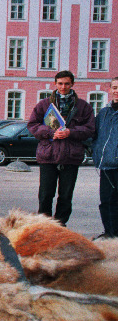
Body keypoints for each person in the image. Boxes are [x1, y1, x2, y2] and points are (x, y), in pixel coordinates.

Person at [27, 70, 95, 225]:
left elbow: (90, 129)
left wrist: (71, 132)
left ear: (72, 84)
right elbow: (32, 125)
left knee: (65, 195)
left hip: (71, 157)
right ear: (55, 84)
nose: (63, 87)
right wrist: (51, 133)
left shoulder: (83, 106)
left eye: (66, 84)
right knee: (45, 194)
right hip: (48, 156)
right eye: (60, 83)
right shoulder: (44, 105)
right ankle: (44, 225)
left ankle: (60, 225)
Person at [92, 76, 118, 237]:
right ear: (110, 89)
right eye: (114, 87)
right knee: (106, 202)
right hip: (106, 165)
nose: (117, 91)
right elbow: (94, 135)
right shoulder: (104, 112)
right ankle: (109, 233)